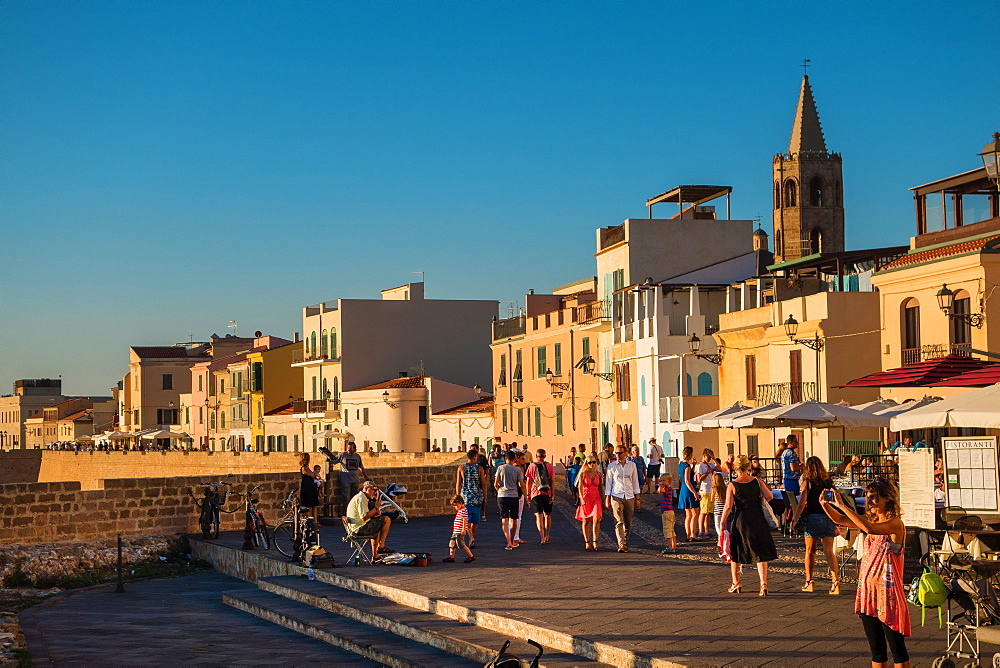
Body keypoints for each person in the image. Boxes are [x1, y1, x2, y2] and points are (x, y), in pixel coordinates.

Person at [822, 479, 911, 668]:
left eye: (873, 498)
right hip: (869, 592)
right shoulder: (871, 520)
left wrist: (842, 505)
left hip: (888, 595)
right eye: (867, 497)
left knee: (897, 650)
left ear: (887, 498)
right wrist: (826, 505)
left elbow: (870, 529)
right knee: (877, 650)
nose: (868, 502)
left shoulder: (895, 523)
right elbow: (840, 520)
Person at [720, 455, 778, 596]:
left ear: (735, 467)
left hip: (740, 520)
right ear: (748, 467)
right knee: (760, 553)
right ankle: (763, 584)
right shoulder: (757, 481)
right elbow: (769, 496)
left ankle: (736, 583)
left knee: (736, 551)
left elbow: (728, 505)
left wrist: (722, 522)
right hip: (757, 518)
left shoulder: (733, 485)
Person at [790, 457, 841, 595]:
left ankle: (809, 581)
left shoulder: (807, 483)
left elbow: (801, 504)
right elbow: (835, 500)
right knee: (829, 552)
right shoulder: (828, 482)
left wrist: (795, 519)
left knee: (810, 551)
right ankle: (835, 581)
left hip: (812, 518)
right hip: (827, 516)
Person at [604, 444, 640, 553]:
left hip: (629, 495)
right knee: (618, 520)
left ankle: (625, 539)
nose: (617, 455)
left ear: (625, 453)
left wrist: (638, 498)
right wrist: (607, 498)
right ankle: (621, 544)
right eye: (616, 453)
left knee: (628, 521)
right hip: (616, 495)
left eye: (620, 453)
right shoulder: (612, 466)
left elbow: (635, 481)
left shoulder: (632, 465)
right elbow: (609, 483)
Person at [346, 480, 392, 555]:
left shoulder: (361, 497)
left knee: (377, 526)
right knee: (386, 519)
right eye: (374, 490)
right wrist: (376, 508)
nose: (375, 492)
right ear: (367, 488)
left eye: (376, 491)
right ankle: (381, 547)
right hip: (359, 529)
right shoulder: (361, 498)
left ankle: (375, 556)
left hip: (355, 527)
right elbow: (364, 517)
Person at [494, 450, 526, 550]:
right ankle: (512, 540)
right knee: (514, 519)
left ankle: (508, 541)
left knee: (504, 519)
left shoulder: (500, 468)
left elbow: (496, 483)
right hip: (513, 496)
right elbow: (521, 485)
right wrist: (526, 496)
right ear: (514, 459)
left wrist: (499, 490)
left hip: (502, 495)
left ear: (505, 458)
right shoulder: (517, 470)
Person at [455, 449, 487, 548]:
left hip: (465, 497)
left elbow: (458, 483)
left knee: (466, 519)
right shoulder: (480, 468)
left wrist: (457, 495)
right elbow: (483, 483)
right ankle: (473, 538)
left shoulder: (461, 468)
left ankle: (470, 538)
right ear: (474, 457)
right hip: (476, 497)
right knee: (475, 521)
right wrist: (485, 497)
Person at [525, 448, 555, 544]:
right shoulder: (549, 466)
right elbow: (553, 481)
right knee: (547, 515)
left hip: (536, 492)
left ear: (536, 456)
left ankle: (541, 537)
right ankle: (547, 535)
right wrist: (552, 494)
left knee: (539, 515)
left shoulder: (532, 466)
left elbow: (529, 481)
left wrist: (528, 494)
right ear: (545, 456)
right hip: (548, 492)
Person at [575, 455, 603, 550]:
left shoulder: (598, 474)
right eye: (589, 462)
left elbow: (600, 488)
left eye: (593, 462)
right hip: (586, 497)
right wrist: (581, 498)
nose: (592, 464)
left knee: (596, 519)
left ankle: (595, 541)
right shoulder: (583, 473)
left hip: (596, 497)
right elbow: (580, 487)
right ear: (586, 463)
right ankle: (587, 541)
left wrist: (603, 500)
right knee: (586, 521)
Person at [333, 441, 368, 510]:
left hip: (355, 480)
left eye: (350, 448)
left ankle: (353, 512)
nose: (349, 450)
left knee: (354, 498)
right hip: (345, 480)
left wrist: (366, 476)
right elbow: (334, 460)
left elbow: (361, 467)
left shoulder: (357, 456)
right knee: (346, 498)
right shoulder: (343, 455)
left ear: (354, 449)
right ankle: (345, 512)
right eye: (348, 448)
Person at [442, 494, 476, 563]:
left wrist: (463, 529)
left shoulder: (464, 510)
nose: (456, 508)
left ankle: (471, 556)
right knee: (452, 544)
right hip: (455, 531)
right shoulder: (460, 511)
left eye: (456, 505)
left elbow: (465, 520)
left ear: (460, 503)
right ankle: (451, 557)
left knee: (461, 544)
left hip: (459, 531)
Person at [677, 447, 700, 542]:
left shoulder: (681, 464)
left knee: (688, 514)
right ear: (690, 454)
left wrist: (693, 466)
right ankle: (693, 534)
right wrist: (695, 493)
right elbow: (688, 480)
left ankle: (688, 534)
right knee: (695, 513)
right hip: (689, 489)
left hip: (683, 489)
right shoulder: (686, 466)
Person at [695, 449, 717, 538]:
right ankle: (701, 531)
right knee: (703, 512)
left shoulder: (710, 464)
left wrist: (714, 459)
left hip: (710, 490)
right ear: (704, 456)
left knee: (708, 512)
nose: (709, 459)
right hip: (704, 490)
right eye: (708, 457)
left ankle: (707, 531)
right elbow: (699, 479)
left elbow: (719, 468)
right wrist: (708, 472)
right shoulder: (700, 466)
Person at [657, 474, 677, 555]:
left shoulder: (668, 489)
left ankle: (671, 547)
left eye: (663, 480)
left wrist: (659, 485)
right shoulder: (668, 489)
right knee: (671, 530)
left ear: (668, 481)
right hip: (669, 511)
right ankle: (674, 546)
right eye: (661, 480)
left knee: (667, 530)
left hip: (667, 512)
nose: (662, 482)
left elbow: (659, 490)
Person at [299, 453, 322, 522]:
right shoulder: (304, 468)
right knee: (308, 505)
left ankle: (315, 521)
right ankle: (309, 521)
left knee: (314, 505)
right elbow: (312, 476)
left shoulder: (306, 468)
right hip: (307, 489)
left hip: (311, 488)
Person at [628, 445, 646, 513]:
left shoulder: (641, 459)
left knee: (639, 494)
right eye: (635, 451)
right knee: (632, 494)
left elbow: (644, 468)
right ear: (632, 452)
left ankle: (638, 507)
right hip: (632, 480)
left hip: (640, 479)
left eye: (638, 451)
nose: (637, 453)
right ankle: (632, 507)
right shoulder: (629, 460)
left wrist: (645, 477)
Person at [711, 471, 728, 537]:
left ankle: (720, 537)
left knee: (717, 525)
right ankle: (725, 536)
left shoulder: (714, 489)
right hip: (724, 509)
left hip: (717, 510)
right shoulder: (725, 488)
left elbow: (712, 499)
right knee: (724, 524)